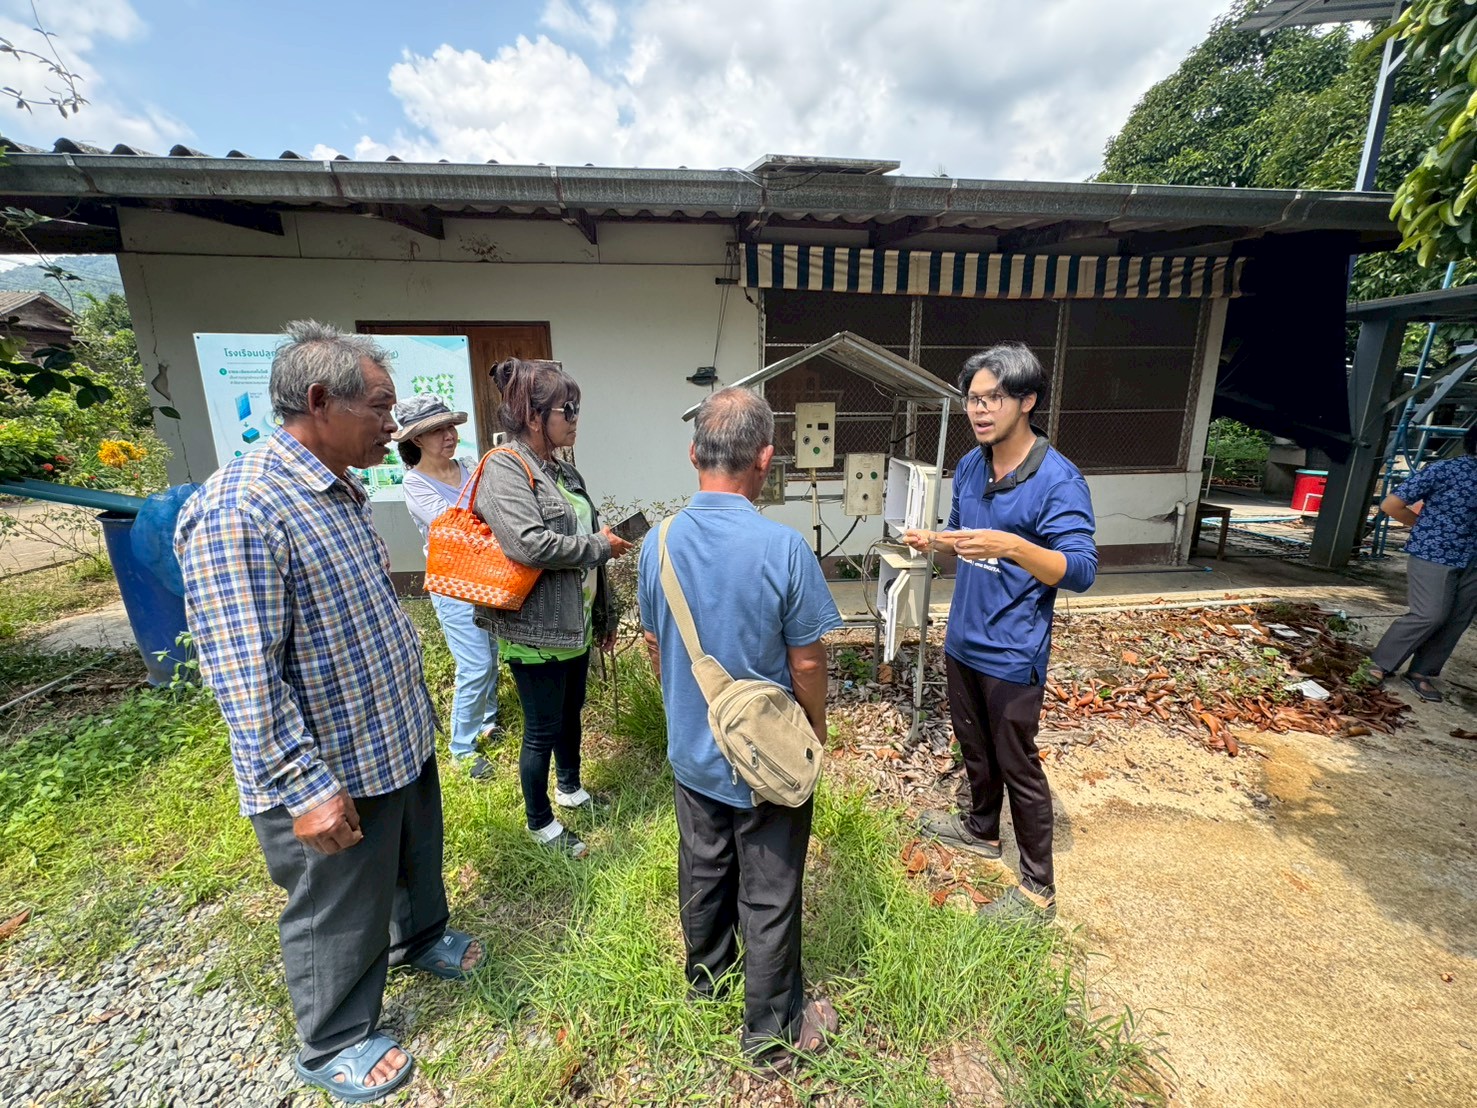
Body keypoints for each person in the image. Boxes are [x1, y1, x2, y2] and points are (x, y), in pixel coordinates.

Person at [175, 321, 483, 1104]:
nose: (395, 422)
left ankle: (418, 938)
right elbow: (243, 673)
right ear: (319, 401)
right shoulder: (242, 508)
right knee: (336, 900)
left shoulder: (337, 486)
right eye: (381, 406)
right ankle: (334, 1038)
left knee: (412, 857)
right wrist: (301, 785)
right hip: (328, 762)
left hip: (389, 734)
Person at [638, 387, 842, 1069]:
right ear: (765, 459)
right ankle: (774, 1034)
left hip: (693, 749)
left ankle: (708, 979)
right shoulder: (783, 549)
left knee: (702, 867)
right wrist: (812, 729)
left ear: (693, 454)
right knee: (770, 886)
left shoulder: (656, 543)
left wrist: (683, 714)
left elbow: (652, 641)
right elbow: (807, 659)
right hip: (765, 759)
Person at [904, 343, 1097, 925]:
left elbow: (1082, 570)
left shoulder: (1059, 481)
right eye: (973, 398)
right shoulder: (970, 464)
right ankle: (982, 831)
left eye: (994, 398)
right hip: (963, 638)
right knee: (975, 748)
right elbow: (967, 532)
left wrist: (1012, 545)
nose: (980, 410)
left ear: (1027, 401)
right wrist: (935, 540)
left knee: (1019, 763)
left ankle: (1039, 891)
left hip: (1013, 651)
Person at [476, 357, 631, 858]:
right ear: (534, 413)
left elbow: (590, 536)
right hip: (536, 626)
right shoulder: (505, 467)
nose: (576, 418)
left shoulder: (562, 469)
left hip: (576, 619)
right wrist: (601, 547)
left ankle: (570, 788)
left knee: (571, 713)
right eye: (569, 409)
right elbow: (528, 544)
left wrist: (604, 612)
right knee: (541, 727)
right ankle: (539, 820)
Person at [394, 394, 501, 780]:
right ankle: (462, 748)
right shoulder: (414, 483)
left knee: (491, 651)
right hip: (453, 584)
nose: (448, 435)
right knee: (474, 664)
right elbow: (457, 526)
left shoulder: (469, 466)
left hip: (489, 576)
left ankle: (488, 721)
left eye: (449, 427)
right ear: (417, 439)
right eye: (436, 430)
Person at [1367, 425, 1477, 702]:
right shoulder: (1446, 470)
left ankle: (1421, 672)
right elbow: (1391, 504)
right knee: (1430, 614)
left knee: (1457, 619)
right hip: (1435, 553)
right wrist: (1424, 529)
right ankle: (1380, 663)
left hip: (1473, 560)